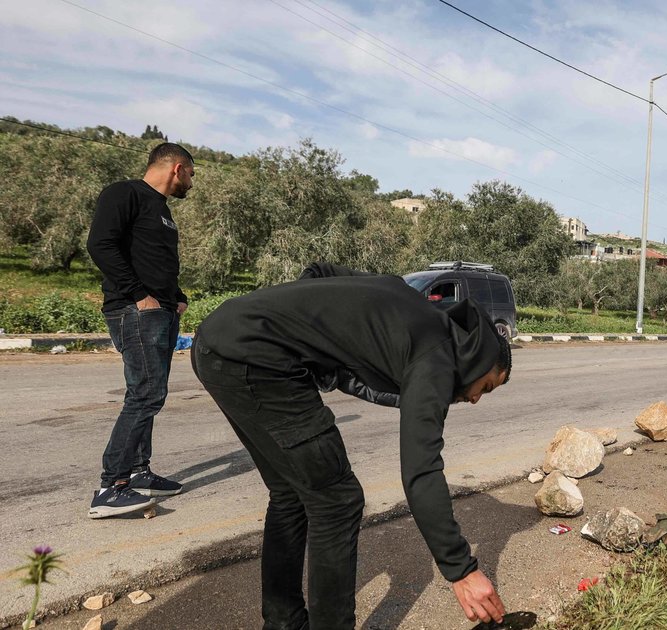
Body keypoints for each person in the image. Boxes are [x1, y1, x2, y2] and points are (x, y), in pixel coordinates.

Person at [191, 262, 510, 629]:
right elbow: (421, 471)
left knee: (291, 493)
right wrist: (462, 570)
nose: (474, 401)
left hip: (220, 341)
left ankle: (283, 622)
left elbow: (321, 272)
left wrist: (305, 325)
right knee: (337, 500)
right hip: (258, 361)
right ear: (481, 358)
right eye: (485, 388)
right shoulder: (436, 359)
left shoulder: (406, 297)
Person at [85, 142, 194, 519]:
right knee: (146, 395)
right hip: (135, 310)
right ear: (177, 169)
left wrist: (176, 296)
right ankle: (110, 488)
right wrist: (139, 296)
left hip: (161, 310)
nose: (191, 184)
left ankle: (138, 472)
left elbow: (158, 261)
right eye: (191, 176)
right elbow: (100, 245)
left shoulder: (161, 210)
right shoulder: (125, 193)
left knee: (148, 394)